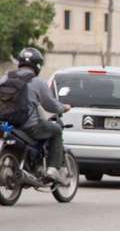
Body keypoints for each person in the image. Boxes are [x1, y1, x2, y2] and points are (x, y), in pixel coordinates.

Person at [0, 48, 71, 184]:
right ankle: (52, 169)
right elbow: (50, 105)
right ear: (38, 65)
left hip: (6, 124)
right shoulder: (37, 82)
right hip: (28, 126)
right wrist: (64, 107)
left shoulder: (6, 77)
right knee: (56, 130)